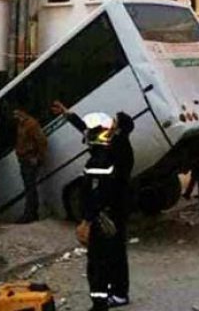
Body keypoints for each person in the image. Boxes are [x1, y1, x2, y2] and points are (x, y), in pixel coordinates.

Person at [54, 101, 134, 308]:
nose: (110, 125)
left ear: (118, 129)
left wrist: (87, 221)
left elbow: (98, 193)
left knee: (99, 259)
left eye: (114, 122)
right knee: (116, 254)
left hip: (106, 214)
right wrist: (69, 115)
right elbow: (89, 131)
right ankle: (119, 293)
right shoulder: (118, 146)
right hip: (117, 210)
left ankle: (101, 302)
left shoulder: (111, 153)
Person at [13, 109, 48, 223]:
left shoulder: (31, 124)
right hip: (24, 159)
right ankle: (31, 213)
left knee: (30, 188)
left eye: (17, 113)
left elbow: (42, 141)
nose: (15, 115)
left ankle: (30, 214)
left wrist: (38, 157)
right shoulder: (22, 124)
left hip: (30, 159)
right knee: (29, 187)